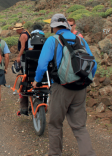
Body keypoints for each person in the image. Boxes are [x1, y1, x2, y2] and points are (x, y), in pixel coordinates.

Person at [33, 14, 97, 156]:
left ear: (53, 27)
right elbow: (94, 64)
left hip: (61, 88)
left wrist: (36, 80)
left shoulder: (52, 40)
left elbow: (42, 64)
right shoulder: (80, 39)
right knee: (80, 127)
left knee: (55, 124)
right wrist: (84, 80)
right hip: (81, 87)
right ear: (67, 26)